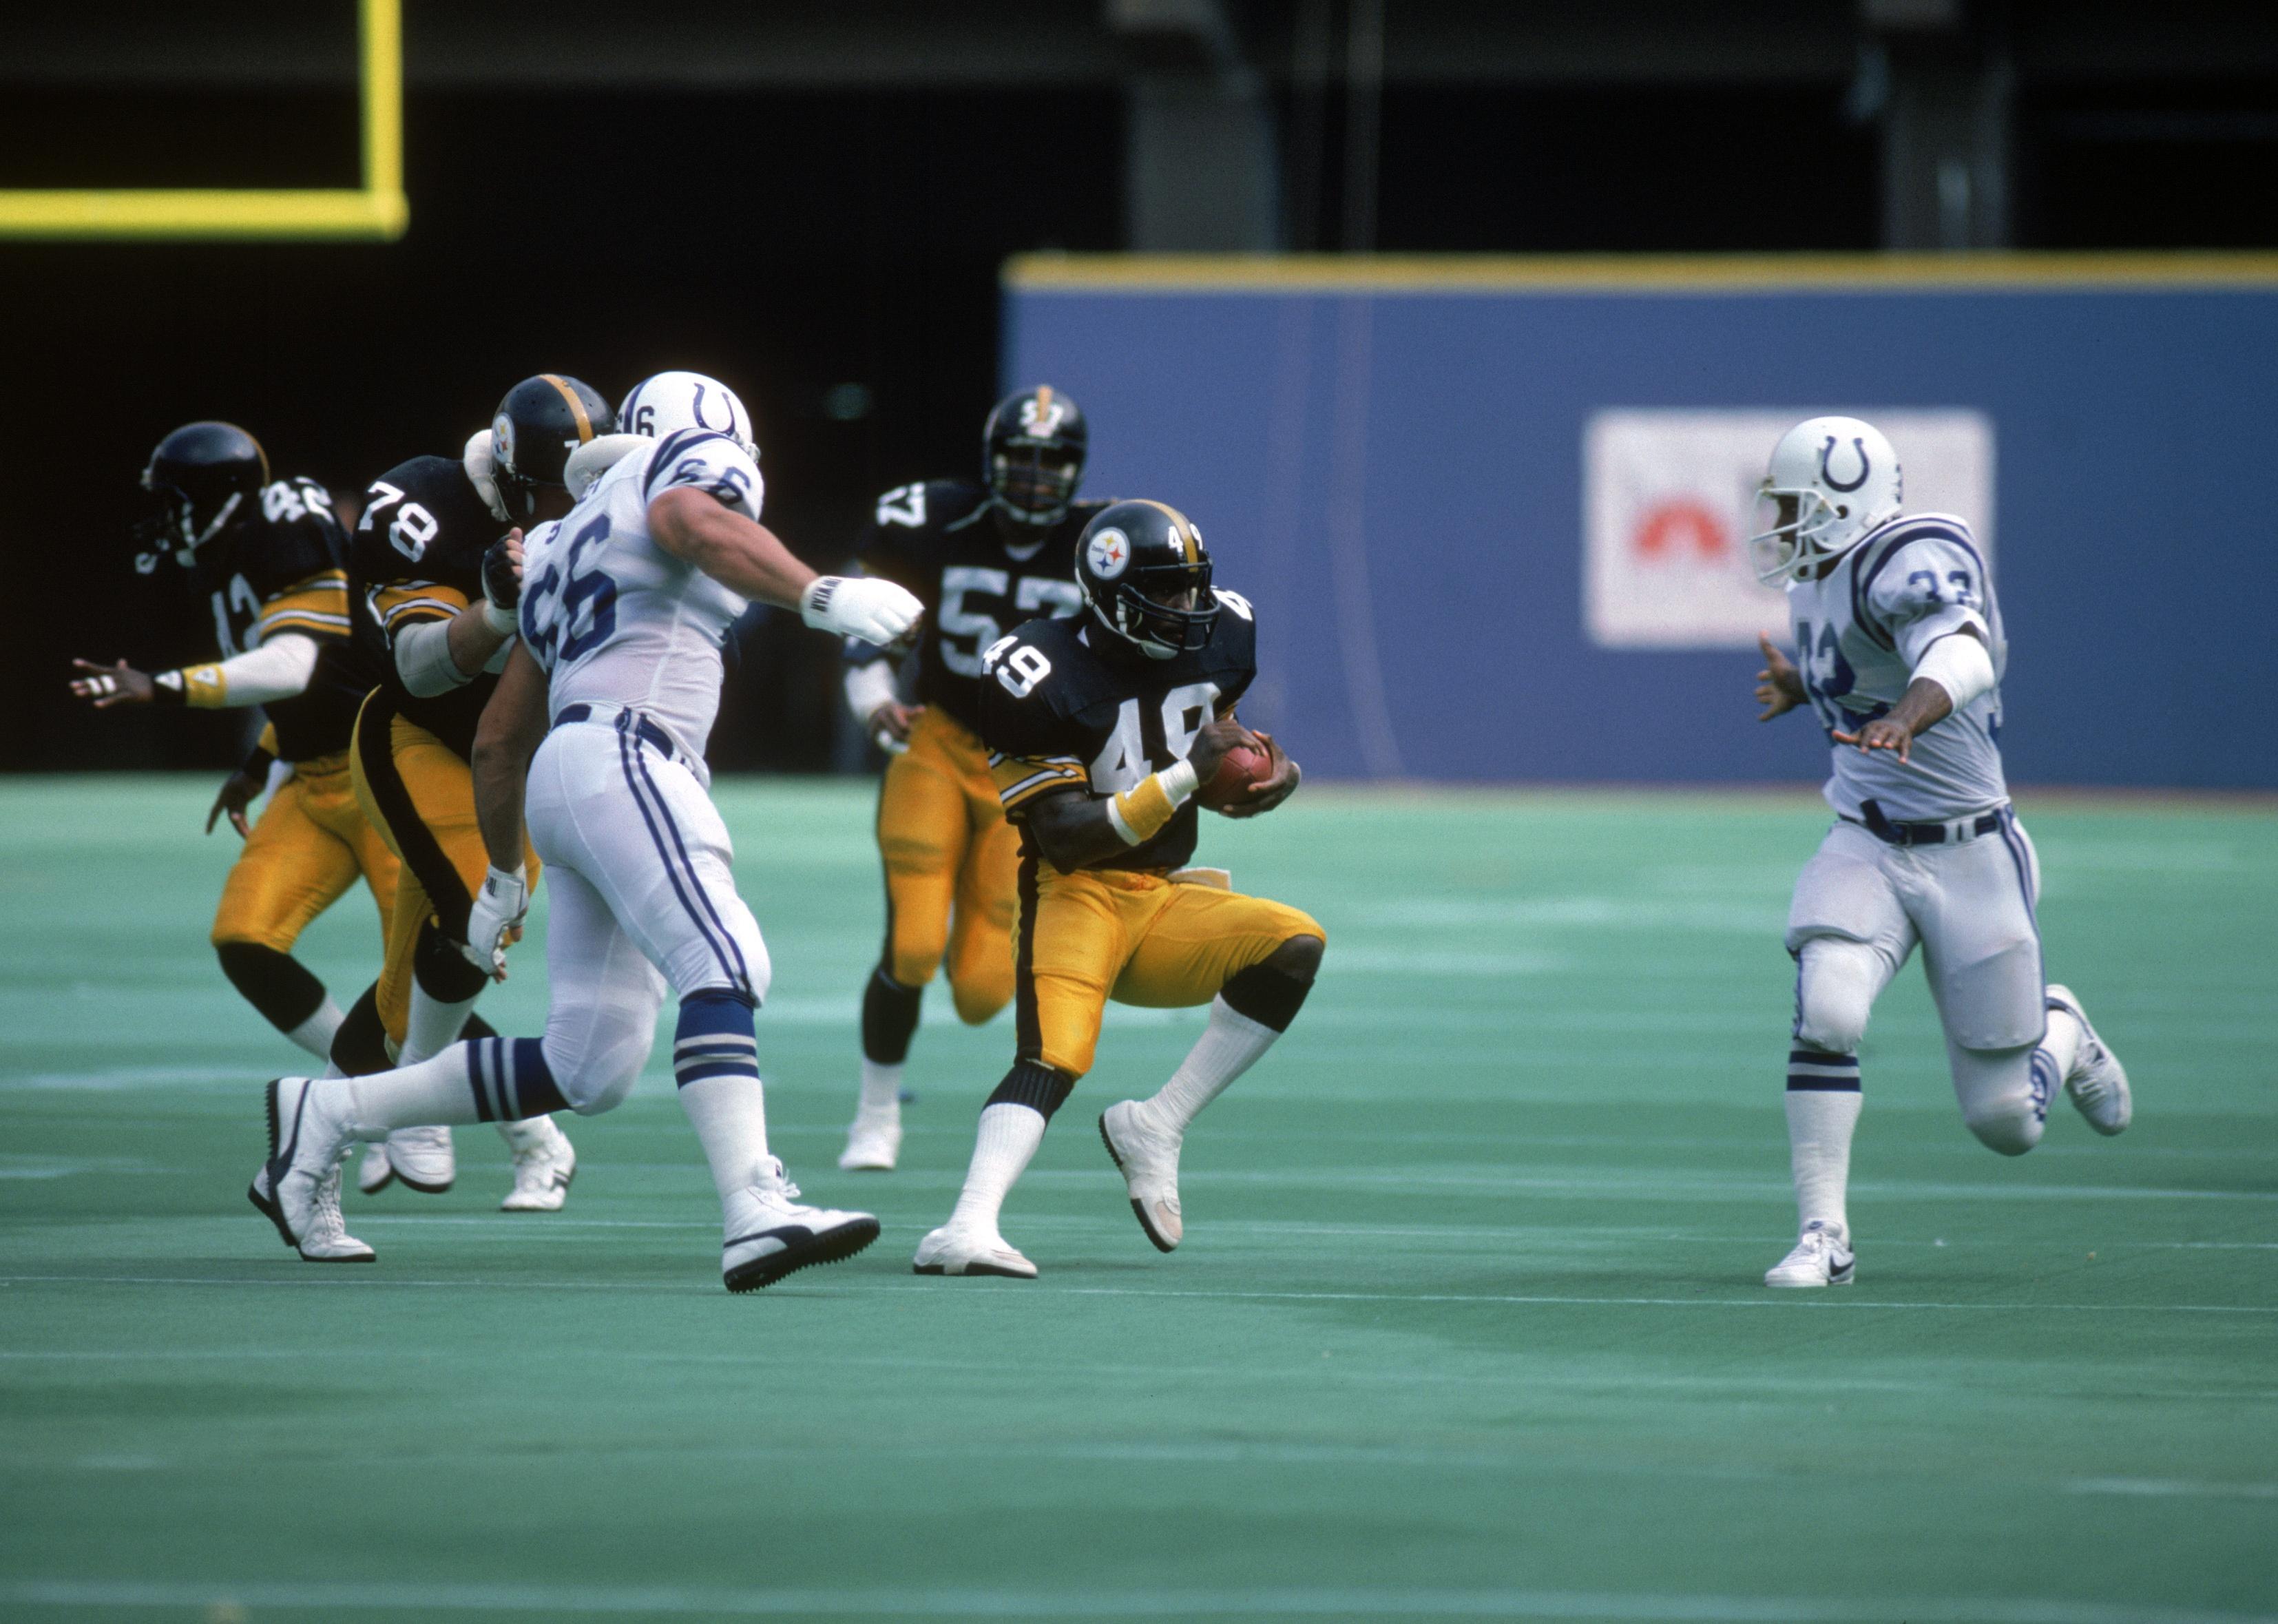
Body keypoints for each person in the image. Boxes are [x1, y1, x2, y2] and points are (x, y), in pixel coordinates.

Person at [250, 370, 926, 1290]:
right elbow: (697, 523)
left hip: (561, 775)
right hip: (629, 755)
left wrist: (503, 873)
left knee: (591, 1062)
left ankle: (326, 1113)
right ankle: (754, 1205)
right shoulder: (681, 467)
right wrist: (819, 595)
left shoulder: (562, 537)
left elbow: (498, 738)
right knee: (726, 956)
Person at [1747, 415, 2131, 1289]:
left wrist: (1904, 717)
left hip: (1969, 852)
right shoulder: (1819, 578)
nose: (1778, 525)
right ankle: (1824, 1236)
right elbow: (1863, 659)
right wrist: (1807, 684)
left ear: (1843, 499)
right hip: (1866, 838)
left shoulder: (1910, 552)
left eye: (1794, 505)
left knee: (2004, 1125)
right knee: (1830, 1009)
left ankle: (2061, 1028)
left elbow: (1957, 651)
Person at [912, 500, 1320, 1278]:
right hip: (1075, 894)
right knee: (1053, 1056)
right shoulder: (1034, 672)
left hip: (1161, 896)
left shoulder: (1225, 635)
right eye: (1166, 593)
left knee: (1293, 946)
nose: (1190, 609)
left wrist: (1265, 779)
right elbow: (1066, 833)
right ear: (1109, 592)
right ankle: (964, 1227)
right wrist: (1186, 777)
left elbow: (1210, 745)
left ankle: (1155, 1125)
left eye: (1193, 588)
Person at [338, 375, 608, 1211]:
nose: (573, 506)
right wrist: (494, 609)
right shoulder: (425, 505)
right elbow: (417, 667)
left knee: (412, 986)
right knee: (473, 914)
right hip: (419, 737)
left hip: (518, 756)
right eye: (553, 489)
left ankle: (304, 1151)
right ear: (505, 468)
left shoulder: (620, 503)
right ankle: (420, 1106)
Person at [836, 386, 1105, 1172]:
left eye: (1051, 461)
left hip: (1026, 774)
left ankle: (889, 1106)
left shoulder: (1098, 541)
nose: (1033, 476)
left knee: (983, 992)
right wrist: (872, 696)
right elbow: (871, 620)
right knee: (914, 946)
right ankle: (875, 1116)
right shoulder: (935, 521)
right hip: (939, 742)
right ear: (992, 459)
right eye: (1020, 457)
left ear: (1075, 470)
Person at [71, 423, 397, 1061]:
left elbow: (294, 665)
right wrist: (259, 761)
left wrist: (157, 687)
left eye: (175, 503)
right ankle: (361, 1078)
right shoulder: (228, 566)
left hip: (388, 775)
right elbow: (318, 688)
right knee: (246, 940)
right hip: (314, 778)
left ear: (213, 499)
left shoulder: (283, 521)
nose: (166, 520)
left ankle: (534, 1136)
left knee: (417, 984)